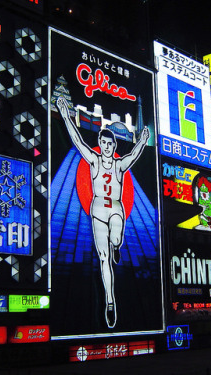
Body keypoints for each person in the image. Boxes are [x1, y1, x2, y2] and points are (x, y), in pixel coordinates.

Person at [56, 96, 149, 328]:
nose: (107, 147)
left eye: (110, 144)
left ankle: (117, 244)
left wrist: (143, 140)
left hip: (116, 209)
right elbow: (77, 142)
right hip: (97, 208)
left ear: (114, 146)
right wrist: (66, 115)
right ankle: (110, 300)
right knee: (103, 257)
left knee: (115, 238)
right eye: (103, 143)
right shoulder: (94, 161)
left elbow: (134, 155)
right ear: (101, 143)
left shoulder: (118, 165)